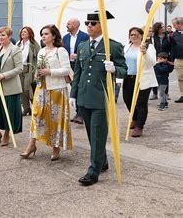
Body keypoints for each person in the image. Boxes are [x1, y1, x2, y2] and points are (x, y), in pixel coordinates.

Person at [69, 11, 127, 186]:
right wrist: (73, 94)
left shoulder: (113, 46)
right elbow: (78, 72)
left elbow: (124, 69)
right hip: (84, 96)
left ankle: (93, 171)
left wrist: (114, 69)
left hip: (101, 97)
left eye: (93, 23)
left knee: (97, 133)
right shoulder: (83, 46)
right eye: (87, 23)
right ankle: (103, 161)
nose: (89, 26)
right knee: (91, 134)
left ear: (102, 25)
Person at [21, 25, 72, 160]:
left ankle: (56, 147)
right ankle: (31, 145)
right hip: (42, 88)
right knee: (36, 116)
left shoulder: (60, 51)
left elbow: (66, 70)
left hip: (57, 89)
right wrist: (38, 74)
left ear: (54, 36)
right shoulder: (42, 51)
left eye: (46, 34)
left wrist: (49, 71)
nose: (43, 36)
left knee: (55, 119)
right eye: (42, 34)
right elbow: (39, 68)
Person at [0, 26, 23, 147]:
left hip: (9, 85)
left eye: (3, 35)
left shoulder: (15, 50)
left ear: (9, 36)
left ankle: (7, 133)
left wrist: (5, 75)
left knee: (8, 109)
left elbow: (19, 68)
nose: (0, 38)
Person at [121, 27, 157, 137]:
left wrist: (145, 53)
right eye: (132, 34)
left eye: (136, 34)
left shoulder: (148, 47)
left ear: (142, 35)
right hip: (128, 78)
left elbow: (152, 63)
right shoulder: (127, 46)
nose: (134, 36)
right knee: (128, 100)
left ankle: (139, 126)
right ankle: (135, 118)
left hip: (143, 79)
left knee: (141, 103)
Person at [63, 18, 89, 124]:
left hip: (81, 65)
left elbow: (88, 51)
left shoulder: (85, 36)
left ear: (74, 25)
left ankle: (81, 114)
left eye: (68, 24)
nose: (66, 25)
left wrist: (78, 56)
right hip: (69, 66)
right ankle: (79, 113)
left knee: (80, 88)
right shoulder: (65, 37)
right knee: (74, 88)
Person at [16, 26, 40, 116]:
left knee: (27, 89)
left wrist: (37, 70)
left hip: (29, 69)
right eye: (22, 32)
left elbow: (39, 57)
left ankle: (35, 107)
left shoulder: (34, 44)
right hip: (19, 69)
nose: (22, 33)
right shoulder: (18, 44)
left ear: (30, 34)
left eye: (25, 32)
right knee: (21, 89)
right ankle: (26, 108)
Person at [149, 22, 172, 100]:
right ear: (157, 29)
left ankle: (166, 93)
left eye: (163, 26)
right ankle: (155, 93)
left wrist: (170, 59)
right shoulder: (153, 38)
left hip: (165, 59)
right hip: (155, 59)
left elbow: (171, 49)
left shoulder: (168, 37)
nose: (163, 28)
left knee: (165, 76)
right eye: (161, 27)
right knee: (154, 76)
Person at [170, 17, 183, 103]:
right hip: (178, 59)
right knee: (180, 78)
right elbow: (172, 47)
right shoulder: (174, 35)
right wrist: (172, 59)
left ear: (180, 24)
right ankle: (182, 95)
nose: (174, 27)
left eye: (174, 25)